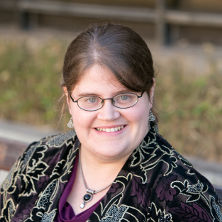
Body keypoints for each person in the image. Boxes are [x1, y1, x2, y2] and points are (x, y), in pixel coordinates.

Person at [0, 23, 221, 222]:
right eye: (90, 99)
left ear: (150, 93)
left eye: (124, 96)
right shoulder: (38, 158)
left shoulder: (183, 198)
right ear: (69, 99)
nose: (108, 114)